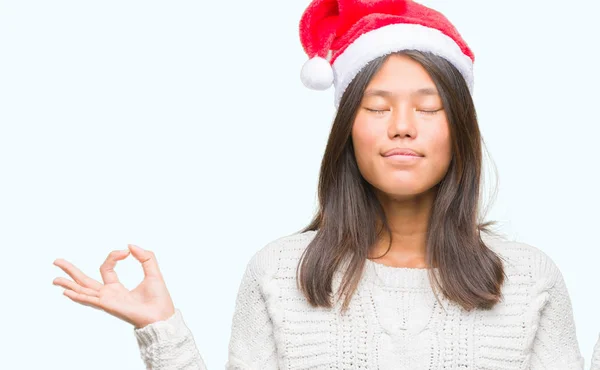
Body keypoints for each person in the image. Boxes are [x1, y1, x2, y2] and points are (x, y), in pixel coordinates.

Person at [52, 0, 600, 369]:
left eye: (428, 108)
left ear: (460, 130)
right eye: (377, 106)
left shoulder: (529, 278)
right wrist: (162, 330)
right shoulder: (279, 271)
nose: (402, 125)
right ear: (348, 132)